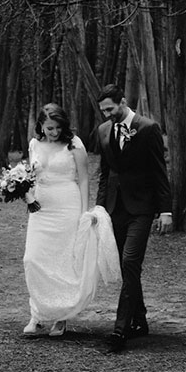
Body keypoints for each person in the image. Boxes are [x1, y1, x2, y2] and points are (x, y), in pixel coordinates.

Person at [22, 103, 119, 337]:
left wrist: (84, 213)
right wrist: (26, 194)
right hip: (41, 208)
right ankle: (38, 313)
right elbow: (30, 176)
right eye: (49, 128)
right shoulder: (34, 144)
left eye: (57, 128)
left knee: (63, 262)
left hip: (68, 205)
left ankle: (61, 317)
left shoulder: (74, 144)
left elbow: (84, 179)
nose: (54, 132)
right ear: (41, 126)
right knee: (33, 259)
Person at [95, 84, 173, 352]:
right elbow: (105, 174)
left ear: (123, 101)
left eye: (111, 109)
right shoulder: (103, 131)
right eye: (103, 111)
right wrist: (99, 209)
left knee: (130, 261)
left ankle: (120, 330)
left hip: (141, 208)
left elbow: (159, 172)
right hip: (115, 208)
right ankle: (140, 320)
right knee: (127, 267)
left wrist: (165, 210)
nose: (107, 115)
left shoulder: (148, 128)